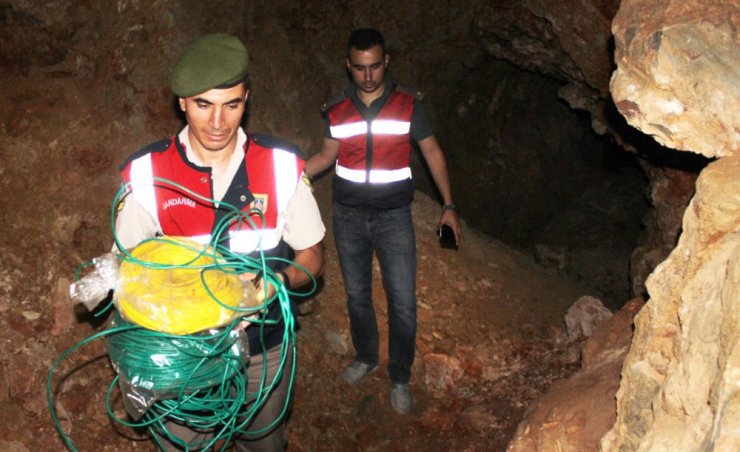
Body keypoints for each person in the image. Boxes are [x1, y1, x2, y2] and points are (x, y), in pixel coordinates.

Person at [114, 33, 325, 450]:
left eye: (232, 105)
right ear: (182, 103)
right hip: (181, 354)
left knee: (263, 443)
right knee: (188, 444)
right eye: (203, 105)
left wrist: (275, 284)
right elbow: (126, 273)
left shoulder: (280, 165)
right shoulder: (146, 174)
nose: (217, 122)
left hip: (263, 347)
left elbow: (312, 256)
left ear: (248, 98)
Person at [304, 28, 460, 415]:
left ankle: (400, 376)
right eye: (360, 68)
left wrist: (449, 205)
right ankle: (366, 357)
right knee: (358, 295)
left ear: (386, 62)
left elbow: (432, 152)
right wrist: (287, 178)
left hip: (394, 216)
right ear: (349, 67)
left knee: (403, 301)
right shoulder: (336, 109)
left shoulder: (409, 104)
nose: (369, 76)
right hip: (348, 215)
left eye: (375, 66)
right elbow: (325, 157)